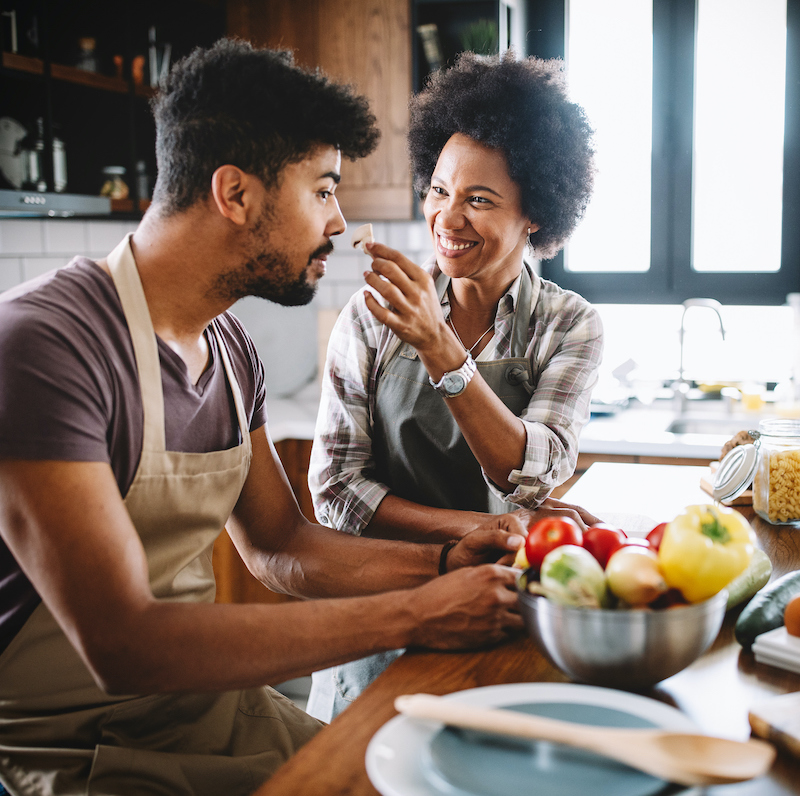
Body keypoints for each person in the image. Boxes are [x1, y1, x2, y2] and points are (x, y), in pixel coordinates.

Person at [0, 40, 529, 796]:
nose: (340, 222)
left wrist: (453, 564)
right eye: (322, 190)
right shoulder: (43, 346)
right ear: (236, 195)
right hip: (77, 751)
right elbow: (123, 644)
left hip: (213, 715)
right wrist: (415, 613)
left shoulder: (227, 345)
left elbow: (282, 546)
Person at [307, 51, 604, 721]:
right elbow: (334, 493)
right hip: (385, 613)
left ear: (536, 214)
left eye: (479, 199)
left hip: (506, 609)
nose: (447, 217)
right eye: (439, 190)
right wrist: (480, 529)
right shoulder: (373, 313)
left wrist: (440, 347)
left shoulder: (568, 326)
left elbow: (530, 472)